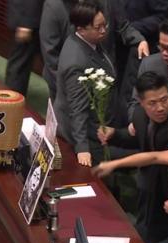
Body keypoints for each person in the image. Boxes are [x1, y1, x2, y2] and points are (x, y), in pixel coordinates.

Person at [97, 71, 168, 243]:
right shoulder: (139, 114)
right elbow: (137, 140)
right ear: (142, 102)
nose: (160, 108)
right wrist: (114, 134)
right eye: (152, 103)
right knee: (141, 232)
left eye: (164, 99)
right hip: (146, 186)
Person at [40, 0, 149, 103]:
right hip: (68, 85)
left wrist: (140, 40)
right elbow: (51, 55)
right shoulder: (54, 6)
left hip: (104, 80)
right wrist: (70, 87)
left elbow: (123, 27)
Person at [54, 1, 119, 166]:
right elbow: (78, 109)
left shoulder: (87, 40)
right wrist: (82, 148)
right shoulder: (76, 63)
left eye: (105, 25)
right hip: (86, 131)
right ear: (81, 29)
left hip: (102, 119)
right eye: (98, 27)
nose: (104, 31)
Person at [39, 0, 77, 102]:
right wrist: (65, 86)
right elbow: (50, 53)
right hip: (59, 80)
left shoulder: (89, 4)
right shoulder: (53, 6)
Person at [5, 0, 43, 96]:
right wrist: (25, 24)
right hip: (27, 20)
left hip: (35, 18)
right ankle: (11, 103)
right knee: (19, 66)